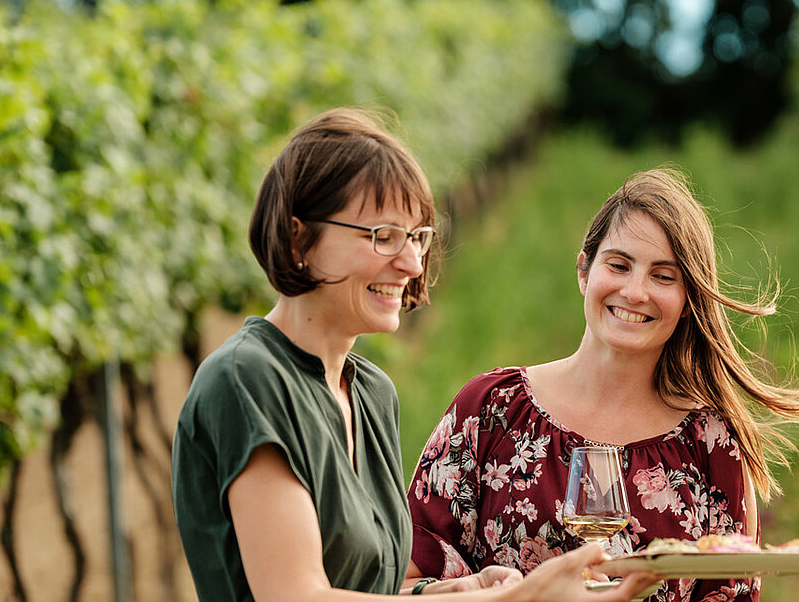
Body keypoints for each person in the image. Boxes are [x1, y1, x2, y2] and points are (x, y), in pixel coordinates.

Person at [171, 107, 659, 601]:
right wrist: (518, 598)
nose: (409, 262)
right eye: (382, 236)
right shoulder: (248, 379)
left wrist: (452, 589)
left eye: (417, 238)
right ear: (300, 236)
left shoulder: (370, 392)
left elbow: (368, 590)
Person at [406, 167, 799, 602]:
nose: (635, 292)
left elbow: (732, 594)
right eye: (619, 265)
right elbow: (407, 572)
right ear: (584, 271)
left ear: (688, 299)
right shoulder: (491, 409)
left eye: (663, 276)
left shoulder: (712, 442)